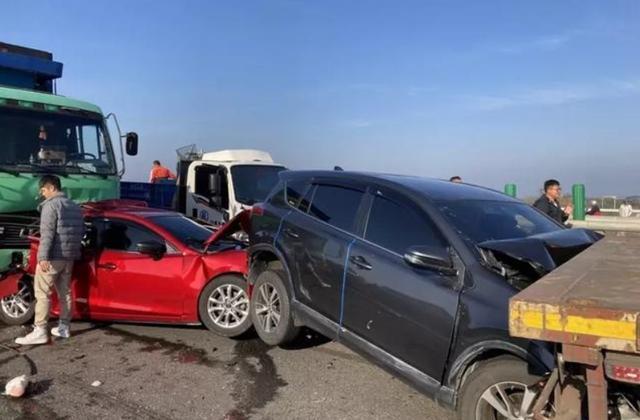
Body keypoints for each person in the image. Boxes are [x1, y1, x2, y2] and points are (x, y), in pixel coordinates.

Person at [15, 175, 84, 345]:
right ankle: (64, 326)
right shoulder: (74, 206)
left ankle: (39, 330)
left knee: (42, 293)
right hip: (69, 257)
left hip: (53, 257)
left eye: (43, 190)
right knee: (65, 292)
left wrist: (43, 256)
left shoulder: (51, 206)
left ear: (52, 188)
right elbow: (80, 232)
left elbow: (47, 234)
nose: (42, 194)